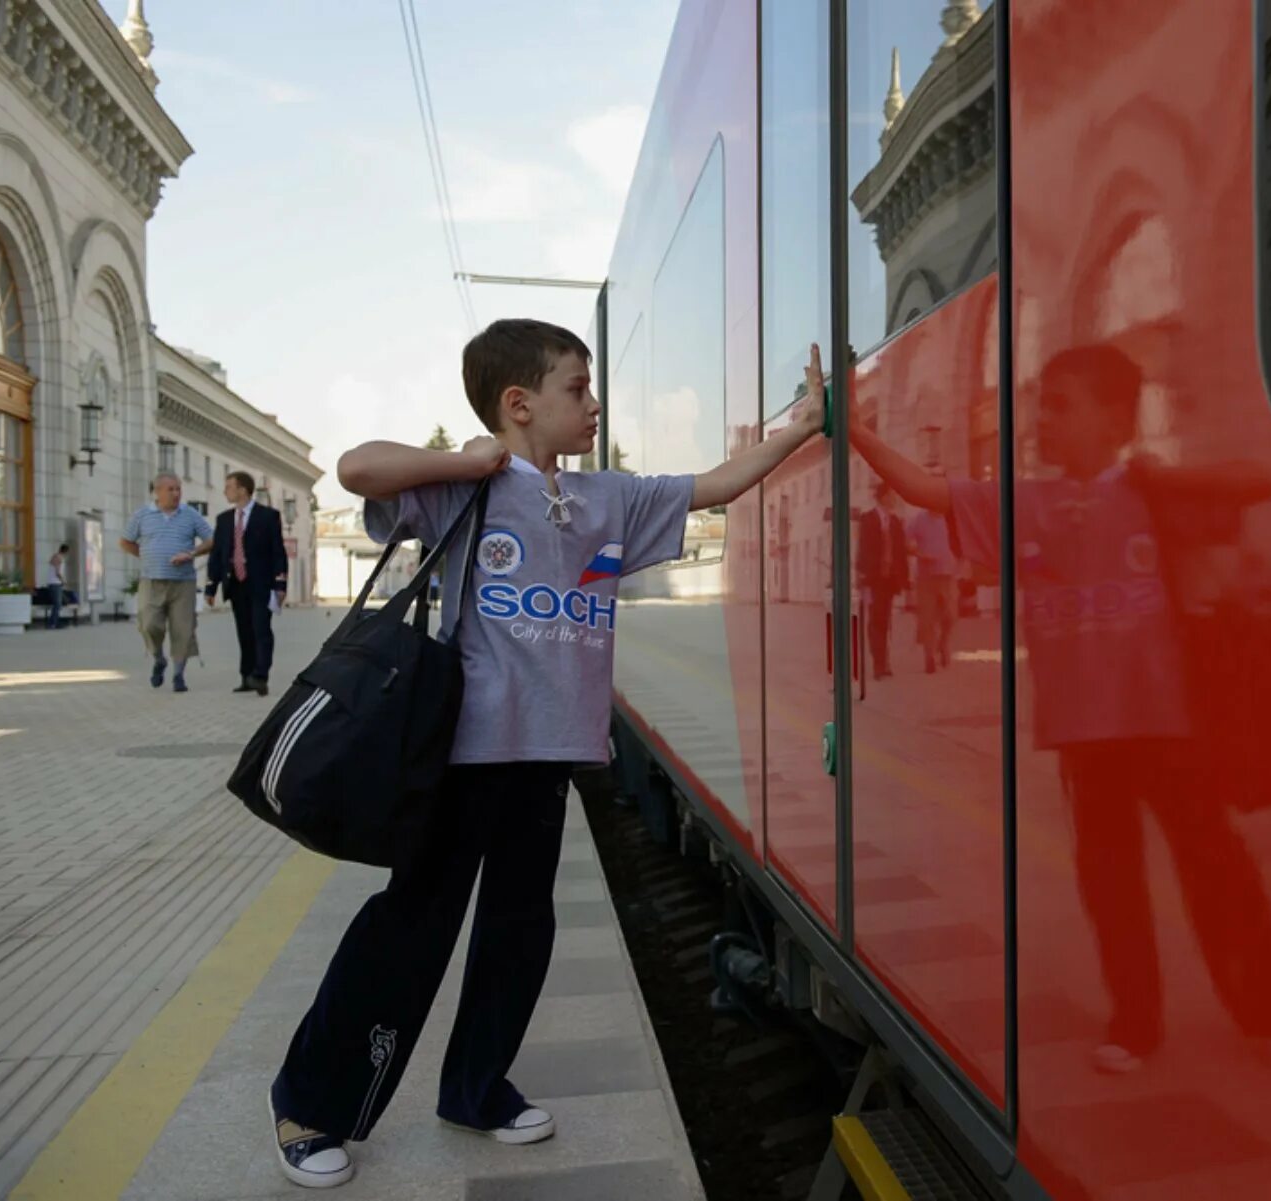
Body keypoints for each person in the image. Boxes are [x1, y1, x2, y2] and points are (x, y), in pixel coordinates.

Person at [266, 319, 827, 1189]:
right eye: (578, 388)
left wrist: (801, 428)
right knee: (413, 926)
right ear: (519, 403)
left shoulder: (610, 499)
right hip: (463, 754)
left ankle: (476, 1087)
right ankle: (310, 1103)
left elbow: (718, 485)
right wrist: (471, 460)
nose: (594, 403)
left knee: (521, 928)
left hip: (551, 753)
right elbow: (357, 470)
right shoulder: (467, 491)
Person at [852, 344, 1271, 1075]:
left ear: (1116, 418)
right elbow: (928, 493)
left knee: (1214, 868)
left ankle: (1269, 1010)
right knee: (1111, 883)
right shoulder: (1026, 502)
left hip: (1169, 727)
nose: (1042, 421)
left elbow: (1257, 482)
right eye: (1042, 405)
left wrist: (1162, 477)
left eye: (1061, 406)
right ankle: (1135, 1022)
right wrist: (855, 431)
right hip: (1084, 738)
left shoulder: (1150, 491)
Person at [121, 474, 213, 692]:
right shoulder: (142, 515)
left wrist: (191, 553)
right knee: (149, 623)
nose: (176, 493)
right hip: (151, 581)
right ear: (157, 492)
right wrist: (146, 556)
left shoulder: (190, 514)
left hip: (183, 583)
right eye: (170, 489)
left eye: (178, 489)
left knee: (183, 629)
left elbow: (211, 539)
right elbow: (125, 541)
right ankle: (158, 658)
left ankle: (179, 675)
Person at [206, 472, 287, 696]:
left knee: (261, 629)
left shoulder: (268, 516)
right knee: (244, 631)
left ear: (242, 489)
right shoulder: (224, 520)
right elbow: (217, 554)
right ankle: (246, 675)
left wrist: (280, 584)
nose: (225, 491)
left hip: (261, 583)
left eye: (229, 486)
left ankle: (261, 676)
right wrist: (211, 587)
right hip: (235, 583)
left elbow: (278, 552)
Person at [856, 481, 909, 679]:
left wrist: (905, 579)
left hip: (890, 579)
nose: (894, 499)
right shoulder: (867, 519)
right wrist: (861, 575)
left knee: (886, 621)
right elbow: (863, 549)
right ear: (883, 497)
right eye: (891, 495)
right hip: (873, 579)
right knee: (875, 620)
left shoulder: (895, 522)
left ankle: (884, 661)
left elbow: (900, 552)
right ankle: (878, 663)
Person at [906, 506, 955, 673]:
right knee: (927, 619)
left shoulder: (951, 518)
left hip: (948, 575)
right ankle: (929, 657)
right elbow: (907, 542)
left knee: (950, 616)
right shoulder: (918, 519)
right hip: (925, 576)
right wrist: (918, 553)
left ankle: (942, 643)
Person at [45, 543, 68, 629]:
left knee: (57, 604)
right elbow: (58, 572)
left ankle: (55, 622)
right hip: (56, 583)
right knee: (57, 604)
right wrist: (63, 581)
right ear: (66, 551)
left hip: (52, 583)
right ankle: (53, 623)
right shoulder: (59, 558)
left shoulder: (55, 556)